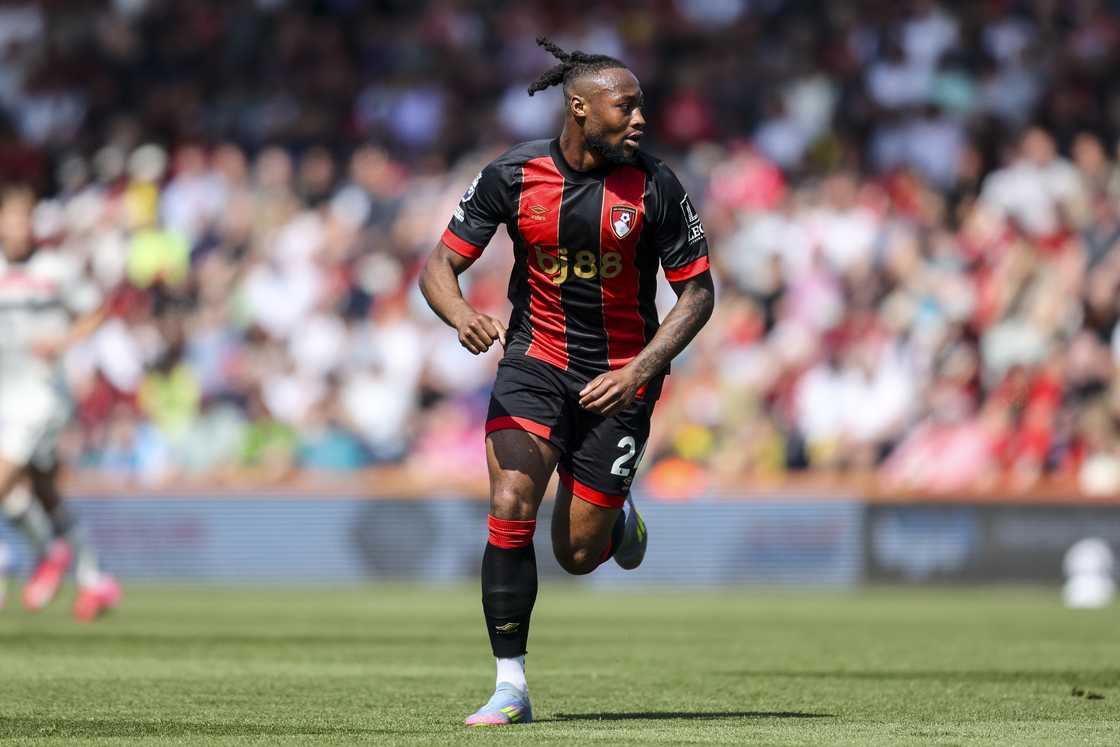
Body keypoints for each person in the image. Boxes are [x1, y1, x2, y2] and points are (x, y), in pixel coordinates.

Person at [419, 37, 714, 726]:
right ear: (579, 108)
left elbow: (697, 294)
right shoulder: (513, 175)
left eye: (641, 106)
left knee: (577, 553)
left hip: (621, 377)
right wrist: (460, 313)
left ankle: (616, 515)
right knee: (512, 496)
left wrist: (640, 369)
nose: (640, 119)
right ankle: (510, 685)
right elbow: (439, 265)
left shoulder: (657, 186)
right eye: (627, 106)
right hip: (534, 361)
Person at [0, 185, 122, 621]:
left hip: (42, 394)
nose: (17, 228)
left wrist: (65, 340)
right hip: (4, 394)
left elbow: (97, 310)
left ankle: (24, 558)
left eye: (24, 219)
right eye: (10, 219)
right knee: (45, 493)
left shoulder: (57, 269)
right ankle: (94, 576)